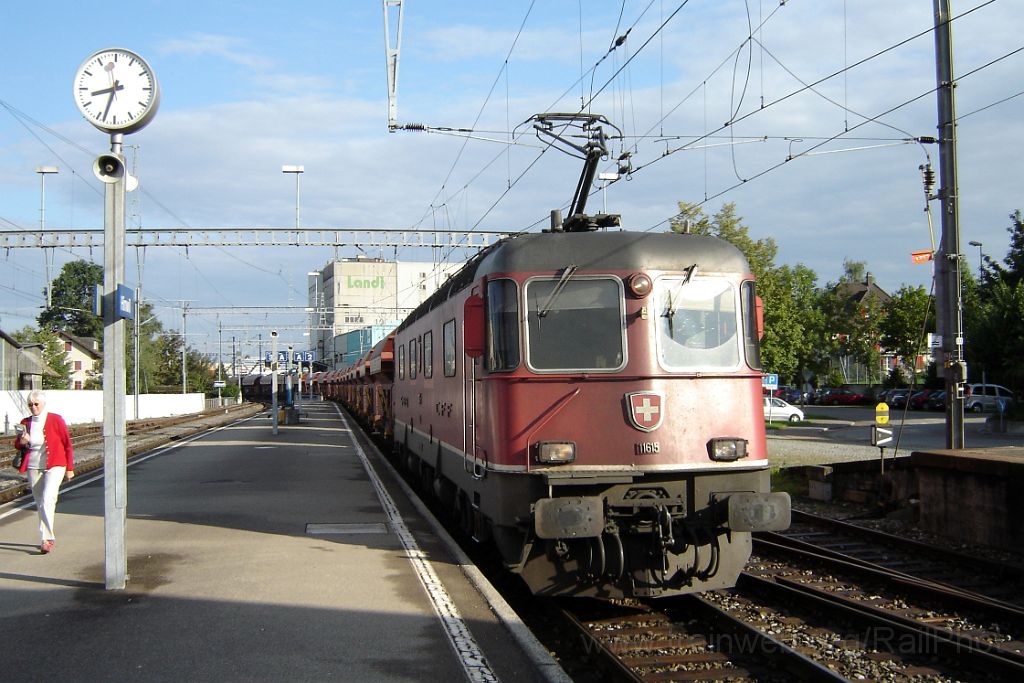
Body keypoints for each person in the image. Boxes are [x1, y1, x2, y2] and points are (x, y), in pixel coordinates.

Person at [12, 390, 75, 554]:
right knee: (40, 502)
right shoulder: (25, 422)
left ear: (43, 404)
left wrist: (70, 468)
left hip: (55, 464)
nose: (33, 407)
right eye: (30, 405)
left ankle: (48, 538)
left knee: (48, 498)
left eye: (36, 404)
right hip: (33, 466)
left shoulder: (55, 420)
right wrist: (22, 441)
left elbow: (67, 444)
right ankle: (44, 537)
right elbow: (18, 445)